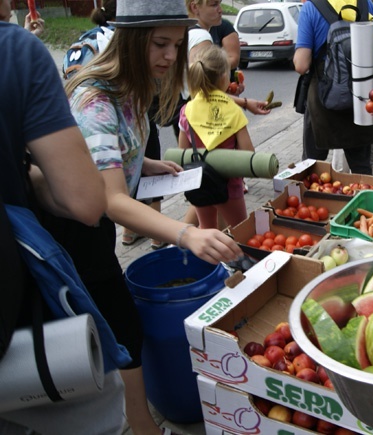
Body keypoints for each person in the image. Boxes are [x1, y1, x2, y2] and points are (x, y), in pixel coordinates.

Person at [44, 1, 243, 435]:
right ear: (131, 40)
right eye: (160, 44)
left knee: (118, 328)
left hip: (92, 228)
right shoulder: (96, 99)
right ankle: (140, 426)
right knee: (120, 330)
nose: (171, 56)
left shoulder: (135, 86)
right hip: (70, 237)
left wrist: (145, 163)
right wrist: (186, 234)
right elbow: (111, 200)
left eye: (176, 44)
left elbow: (106, 157)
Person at [0, 6, 125, 434]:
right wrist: (30, 175)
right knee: (95, 405)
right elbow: (87, 201)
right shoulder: (15, 52)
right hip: (16, 327)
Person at [294, 0, 373, 175]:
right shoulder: (367, 5)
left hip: (323, 98)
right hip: (360, 98)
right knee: (361, 168)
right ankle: (363, 199)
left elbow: (301, 65)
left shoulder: (311, 8)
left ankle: (315, 200)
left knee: (312, 165)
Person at [178, 45, 254, 229]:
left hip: (199, 180)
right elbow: (248, 153)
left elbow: (183, 152)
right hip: (230, 184)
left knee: (207, 229)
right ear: (223, 78)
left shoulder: (187, 110)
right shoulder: (232, 110)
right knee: (240, 230)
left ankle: (208, 259)